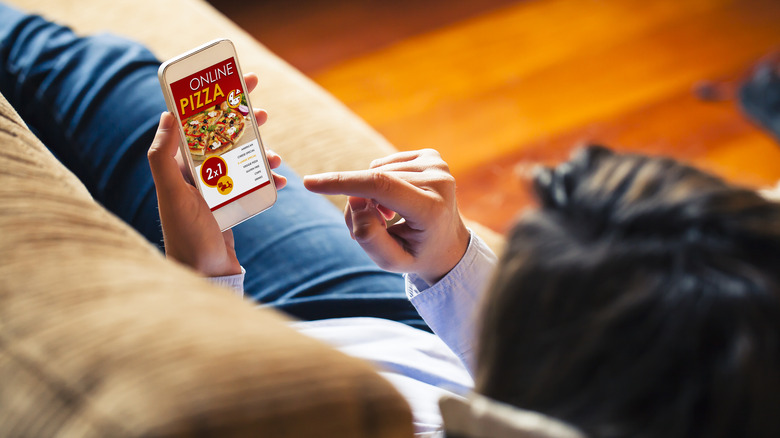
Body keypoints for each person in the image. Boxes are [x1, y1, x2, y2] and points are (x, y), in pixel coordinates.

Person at [2, 4, 780, 437]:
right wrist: (448, 262)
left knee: (67, 82)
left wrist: (204, 277)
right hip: (378, 317)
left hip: (256, 333)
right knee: (98, 77)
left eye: (513, 296)